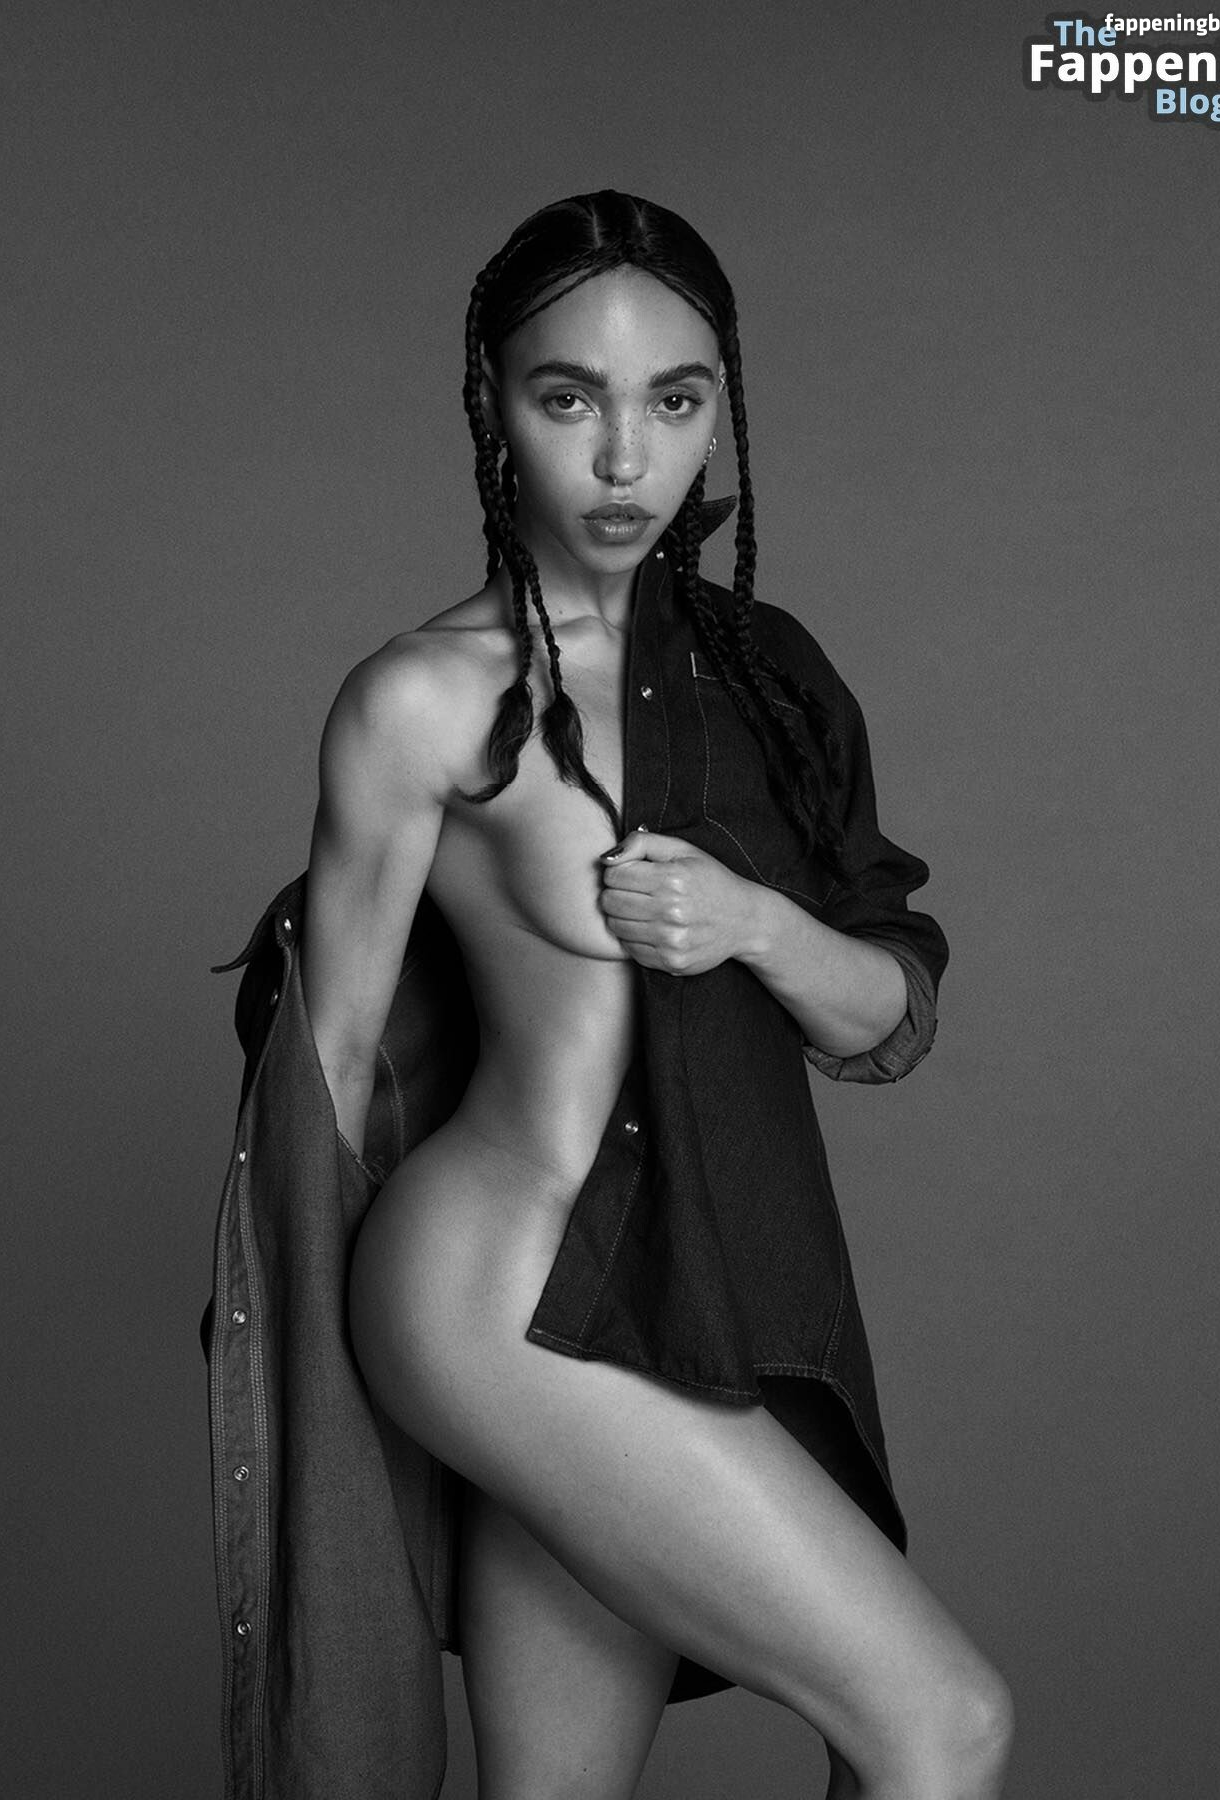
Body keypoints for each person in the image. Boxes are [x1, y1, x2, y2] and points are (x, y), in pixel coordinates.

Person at [214, 189, 1011, 1800]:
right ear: (493, 406)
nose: (629, 459)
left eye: (677, 400)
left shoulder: (772, 681)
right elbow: (329, 1070)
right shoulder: (424, 698)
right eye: (570, 398)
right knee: (942, 1725)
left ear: (725, 409)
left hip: (667, 1291)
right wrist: (304, 1438)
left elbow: (882, 1014)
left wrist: (752, 924)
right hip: (496, 1289)